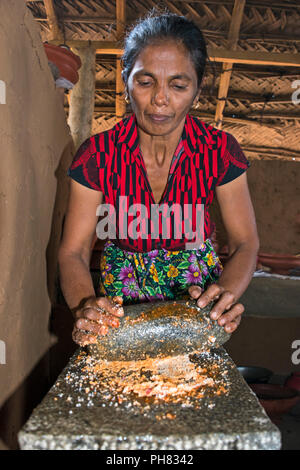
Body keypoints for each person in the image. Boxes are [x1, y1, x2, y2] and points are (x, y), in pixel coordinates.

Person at [58, 13, 259, 347]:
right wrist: (86, 308)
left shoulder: (219, 151)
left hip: (197, 301)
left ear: (197, 91)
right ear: (126, 83)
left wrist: (224, 297)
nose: (160, 99)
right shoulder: (98, 156)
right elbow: (74, 252)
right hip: (122, 307)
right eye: (145, 82)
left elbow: (245, 243)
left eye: (178, 85)